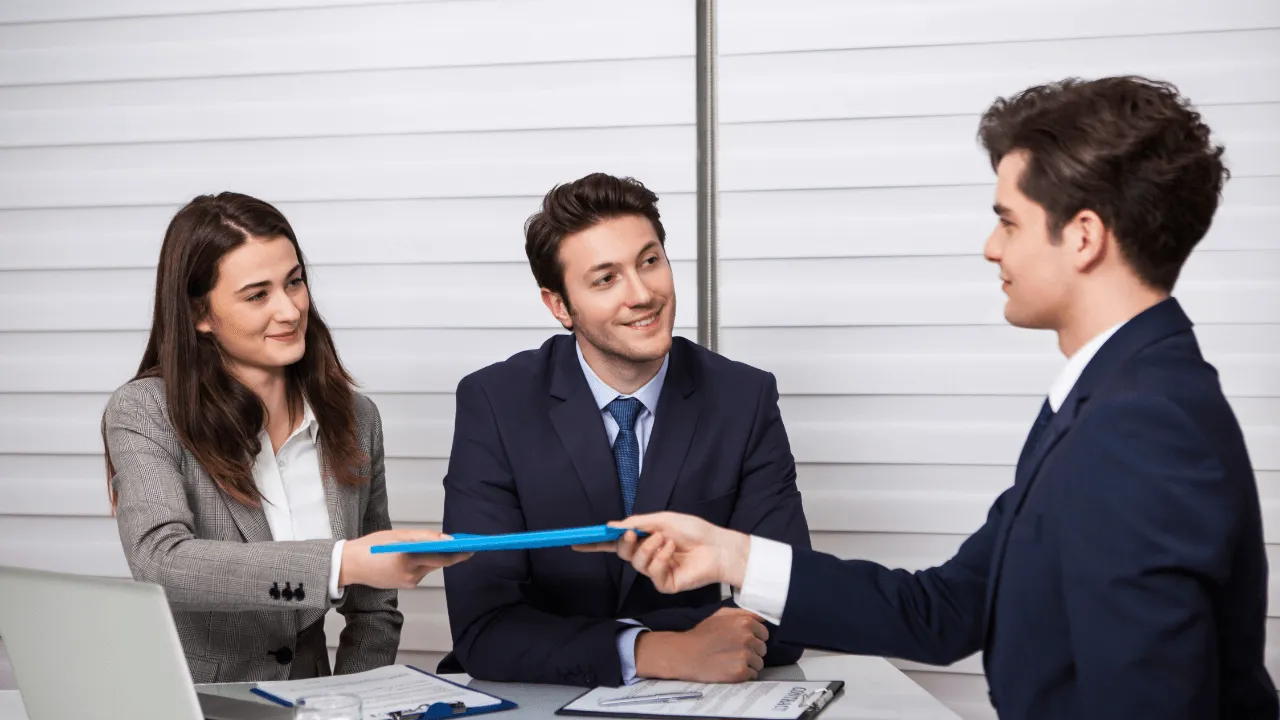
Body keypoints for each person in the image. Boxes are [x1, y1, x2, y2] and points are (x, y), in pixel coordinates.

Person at [585, 77, 1278, 720]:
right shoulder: (1109, 398)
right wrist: (732, 556)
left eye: (1008, 221)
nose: (989, 247)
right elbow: (942, 611)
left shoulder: (1141, 425)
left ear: (1085, 237)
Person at [438, 173, 811, 687]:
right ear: (560, 306)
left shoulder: (742, 399)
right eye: (605, 279)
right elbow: (484, 628)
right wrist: (656, 649)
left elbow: (789, 611)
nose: (642, 294)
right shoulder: (495, 403)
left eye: (649, 261)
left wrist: (568, 638)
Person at [103, 192, 470, 683]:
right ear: (199, 315)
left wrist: (352, 700)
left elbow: (375, 609)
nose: (291, 310)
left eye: (294, 282)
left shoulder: (357, 417)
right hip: (194, 702)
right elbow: (162, 562)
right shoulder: (146, 411)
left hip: (317, 699)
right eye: (257, 295)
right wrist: (341, 563)